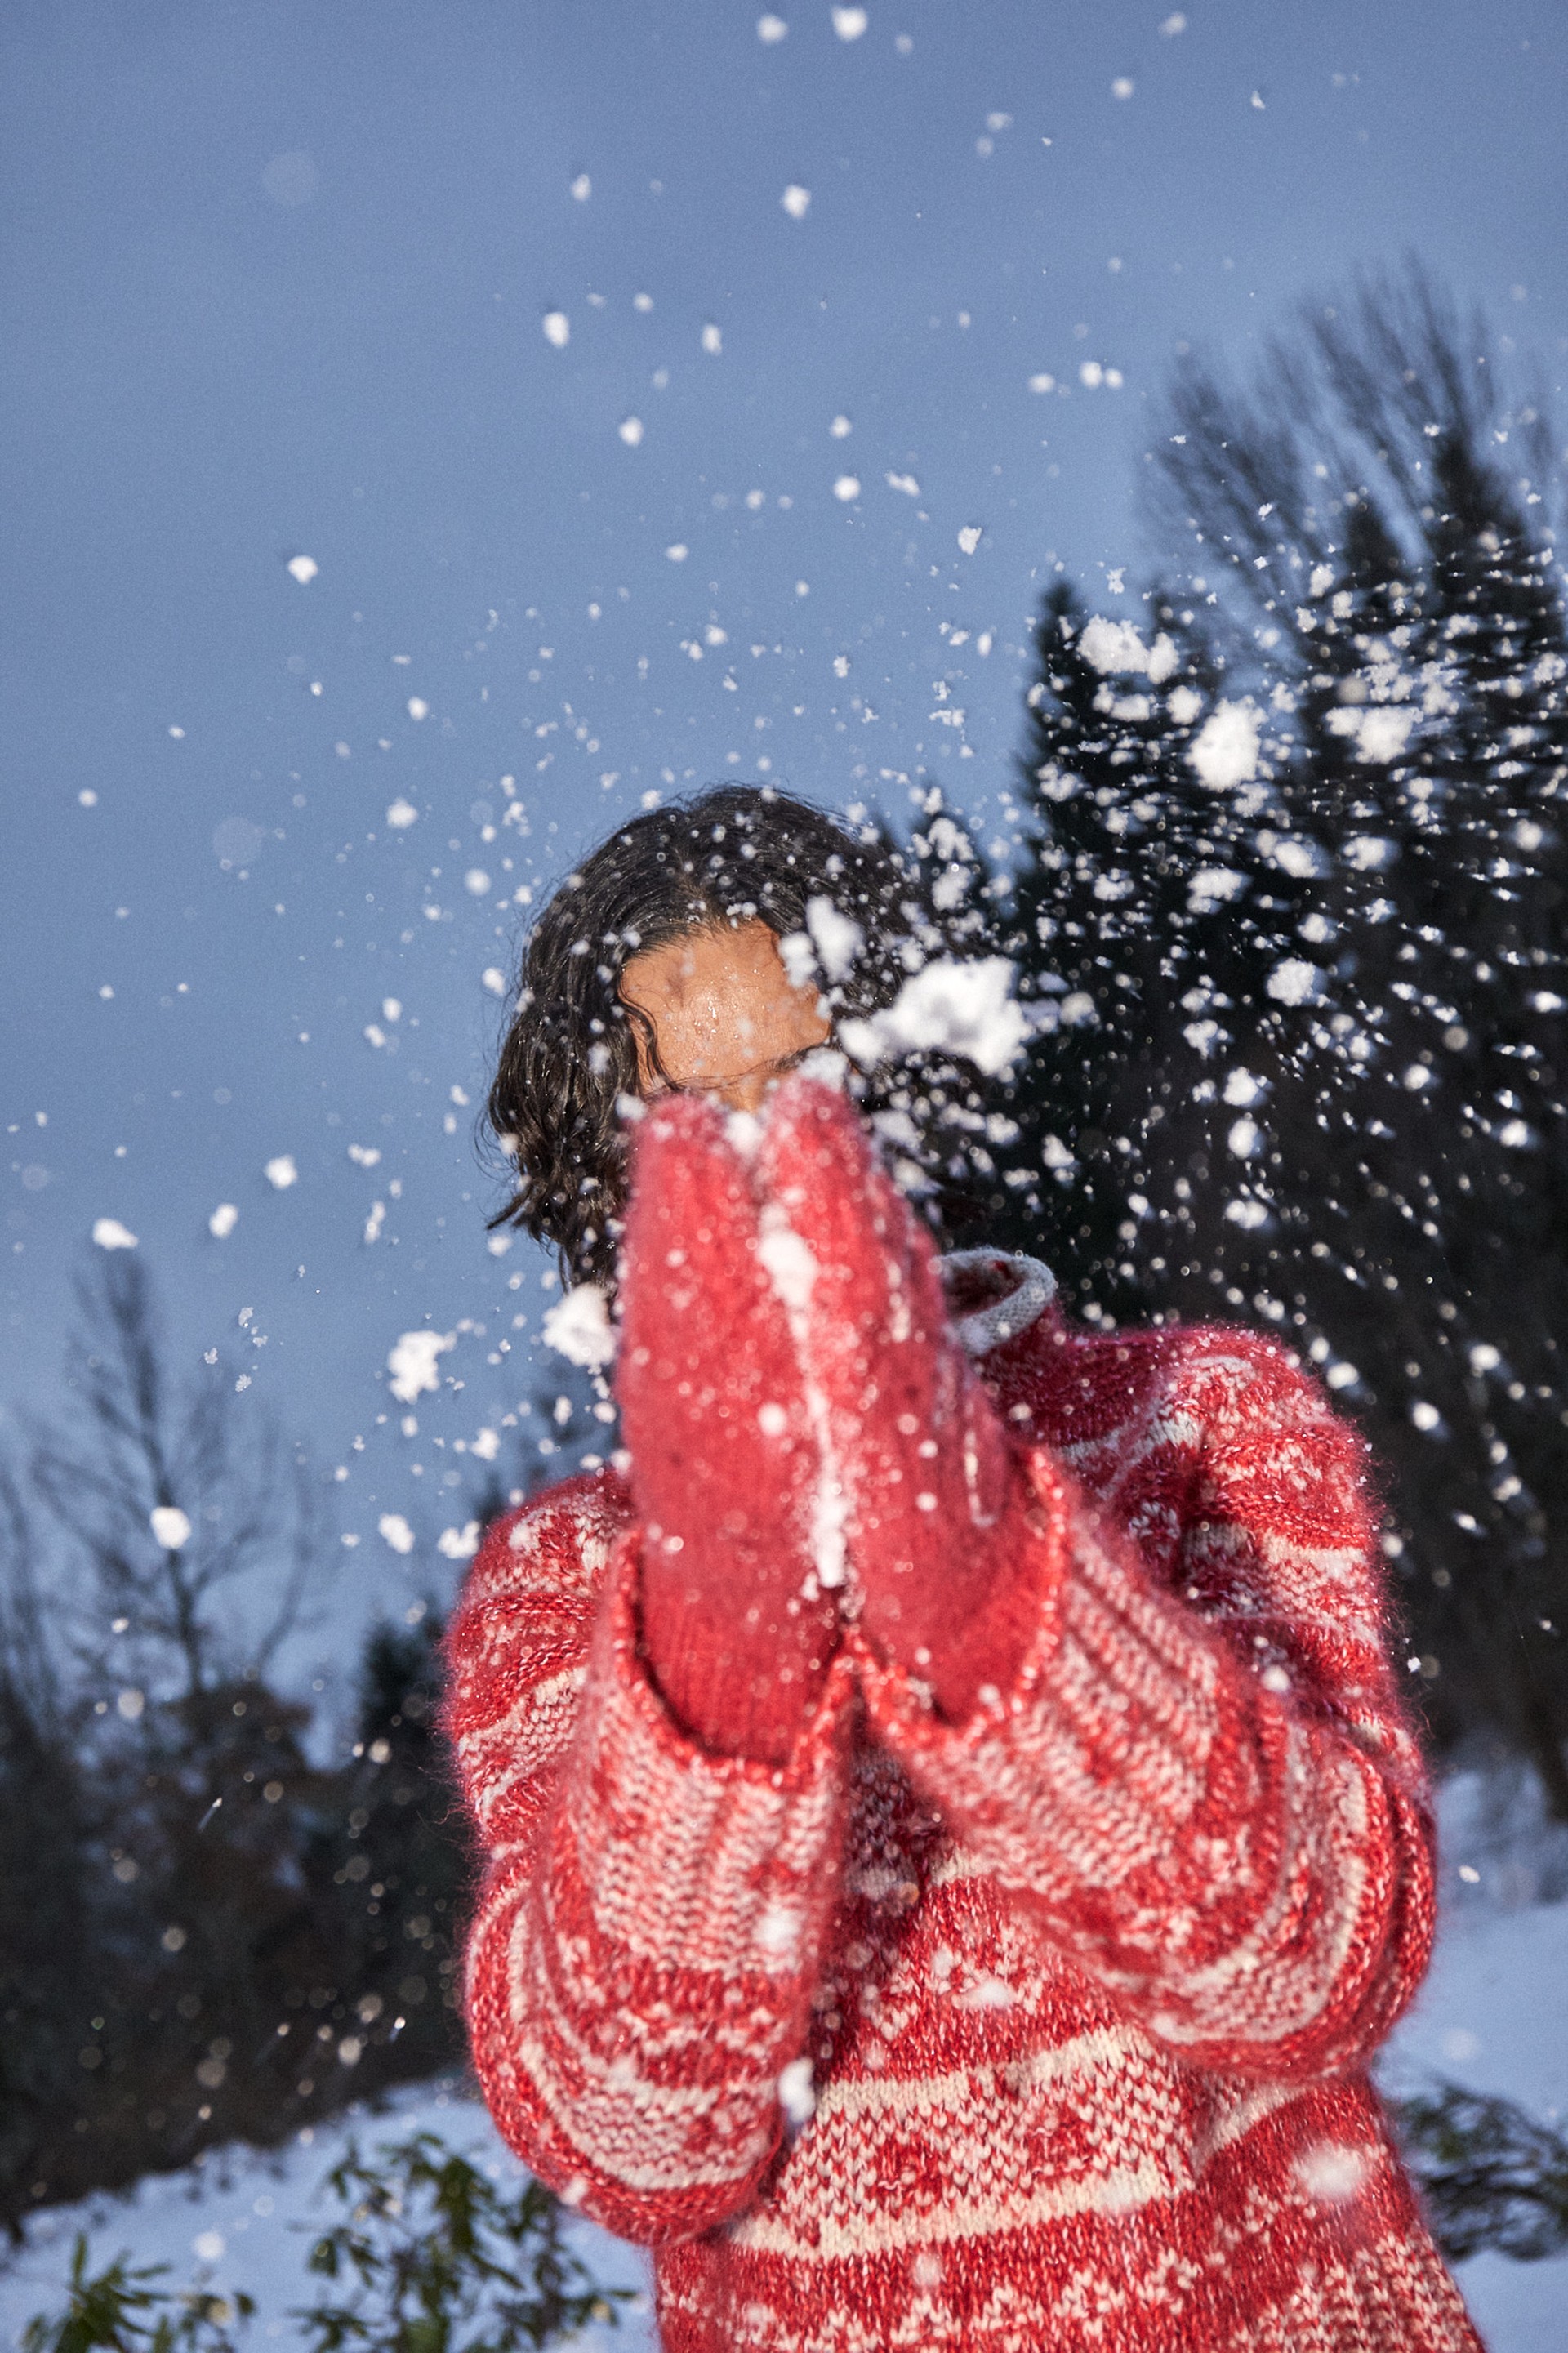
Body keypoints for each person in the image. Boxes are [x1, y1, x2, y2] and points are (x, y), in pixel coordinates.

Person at [444, 786, 1481, 2351]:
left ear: (909, 1074)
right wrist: (720, 1641)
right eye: (684, 1128)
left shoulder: (1198, 1418)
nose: (755, 1170)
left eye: (801, 1086)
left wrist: (989, 1581)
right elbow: (632, 2135)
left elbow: (1322, 1969)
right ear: (603, 1191)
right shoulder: (567, 1581)